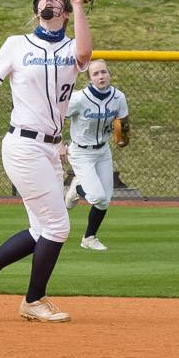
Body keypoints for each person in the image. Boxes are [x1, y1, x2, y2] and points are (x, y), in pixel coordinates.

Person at [0, 0, 92, 323]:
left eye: (55, 0)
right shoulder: (17, 44)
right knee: (58, 226)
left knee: (40, 230)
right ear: (36, 12)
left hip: (50, 148)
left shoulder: (70, 47)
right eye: (43, 0)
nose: (49, 1)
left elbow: (85, 53)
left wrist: (77, 4)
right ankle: (33, 300)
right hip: (23, 145)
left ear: (62, 12)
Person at [63, 59, 129, 251]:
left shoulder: (118, 97)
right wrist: (58, 144)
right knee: (98, 197)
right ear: (90, 78)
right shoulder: (79, 98)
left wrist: (123, 134)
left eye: (103, 72)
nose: (101, 76)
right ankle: (77, 189)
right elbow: (57, 117)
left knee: (105, 199)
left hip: (103, 151)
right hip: (81, 152)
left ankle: (89, 238)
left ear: (109, 74)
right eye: (96, 74)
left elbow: (123, 120)